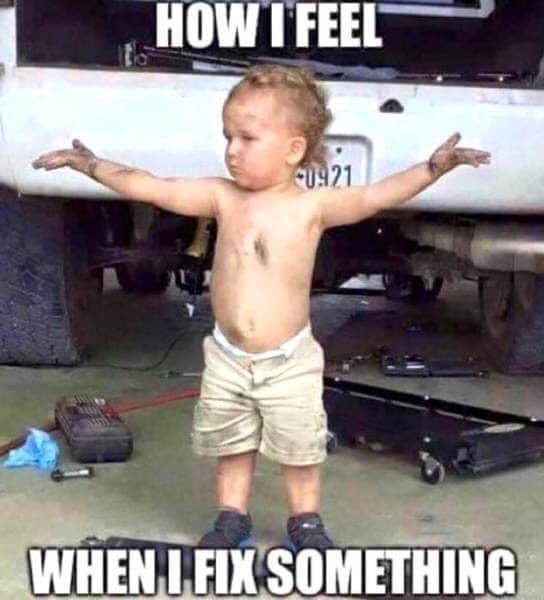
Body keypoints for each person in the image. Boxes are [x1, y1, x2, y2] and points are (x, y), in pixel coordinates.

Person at [32, 64, 490, 550]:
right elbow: (153, 186)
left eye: (247, 138)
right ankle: (231, 517)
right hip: (227, 357)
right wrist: (93, 166)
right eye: (227, 137)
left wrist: (432, 168)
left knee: (299, 447)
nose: (232, 149)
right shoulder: (221, 197)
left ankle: (306, 522)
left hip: (289, 360)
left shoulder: (312, 207)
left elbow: (376, 196)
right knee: (232, 441)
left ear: (293, 149)